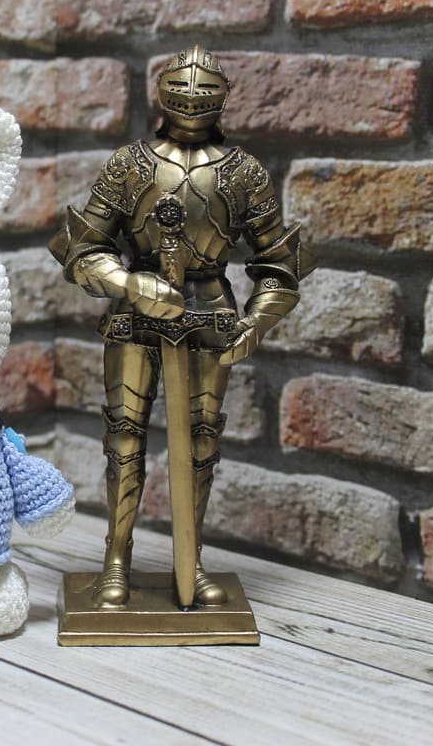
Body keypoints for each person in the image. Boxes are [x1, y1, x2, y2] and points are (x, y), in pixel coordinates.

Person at [50, 45, 311, 608]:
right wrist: (128, 282)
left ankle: (189, 562)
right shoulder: (131, 163)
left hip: (212, 313)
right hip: (136, 315)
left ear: (223, 96)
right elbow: (82, 246)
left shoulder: (243, 171)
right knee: (124, 439)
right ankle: (115, 562)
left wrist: (258, 321)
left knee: (201, 442)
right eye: (182, 91)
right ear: (163, 94)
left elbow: (279, 260)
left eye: (203, 92)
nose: (192, 100)